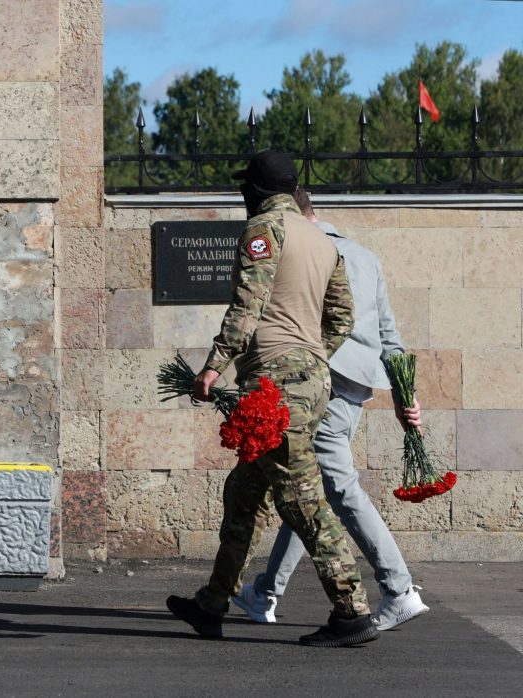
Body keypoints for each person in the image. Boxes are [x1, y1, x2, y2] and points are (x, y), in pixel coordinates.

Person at [165, 150, 378, 647]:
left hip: (276, 385)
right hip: (309, 380)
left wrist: (214, 365)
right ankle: (212, 604)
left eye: (246, 187)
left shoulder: (264, 229)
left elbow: (248, 303)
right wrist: (311, 359)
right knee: (244, 494)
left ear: (256, 190)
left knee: (302, 498)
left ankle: (352, 611)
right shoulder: (321, 240)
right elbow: (342, 317)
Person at [233, 187, 428, 630]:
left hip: (319, 382)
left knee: (338, 488)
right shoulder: (366, 257)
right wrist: (405, 396)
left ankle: (399, 589)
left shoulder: (303, 249)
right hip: (356, 386)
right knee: (307, 487)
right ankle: (265, 593)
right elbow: (389, 336)